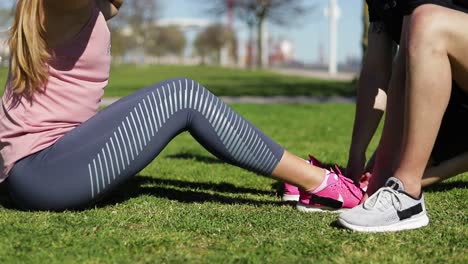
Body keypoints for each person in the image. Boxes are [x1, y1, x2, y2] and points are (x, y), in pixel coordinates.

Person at [0, 0, 364, 211]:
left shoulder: (84, 7)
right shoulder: (62, 5)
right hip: (42, 173)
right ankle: (320, 183)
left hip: (49, 164)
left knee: (179, 95)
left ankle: (297, 175)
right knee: (182, 96)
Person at [338, 0, 468, 232]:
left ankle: (407, 194)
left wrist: (386, 172)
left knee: (428, 23)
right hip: (458, 101)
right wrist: (356, 155)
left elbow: (402, 72)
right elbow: (375, 71)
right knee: (377, 171)